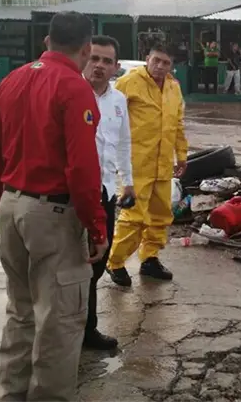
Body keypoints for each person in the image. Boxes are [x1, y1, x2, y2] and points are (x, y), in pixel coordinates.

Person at [0, 11, 107, 402]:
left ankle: (10, 395)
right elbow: (82, 168)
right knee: (60, 320)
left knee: (20, 313)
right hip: (52, 216)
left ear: (46, 42)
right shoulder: (74, 87)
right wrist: (97, 227)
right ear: (86, 49)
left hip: (11, 207)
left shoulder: (12, 80)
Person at [106, 43, 188, 286]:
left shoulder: (173, 87)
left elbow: (178, 124)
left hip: (163, 164)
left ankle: (150, 258)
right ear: (147, 59)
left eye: (166, 63)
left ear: (172, 66)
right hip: (136, 165)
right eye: (156, 60)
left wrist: (181, 155)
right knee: (133, 217)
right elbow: (111, 117)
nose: (160, 66)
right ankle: (115, 262)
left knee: (161, 215)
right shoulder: (129, 82)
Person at [81, 35, 134, 351]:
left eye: (106, 61)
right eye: (94, 58)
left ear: (116, 67)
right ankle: (80, 330)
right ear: (85, 57)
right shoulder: (71, 93)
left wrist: (127, 181)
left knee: (98, 261)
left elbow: (124, 142)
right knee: (75, 265)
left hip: (104, 192)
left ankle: (86, 329)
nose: (99, 65)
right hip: (72, 193)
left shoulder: (118, 101)